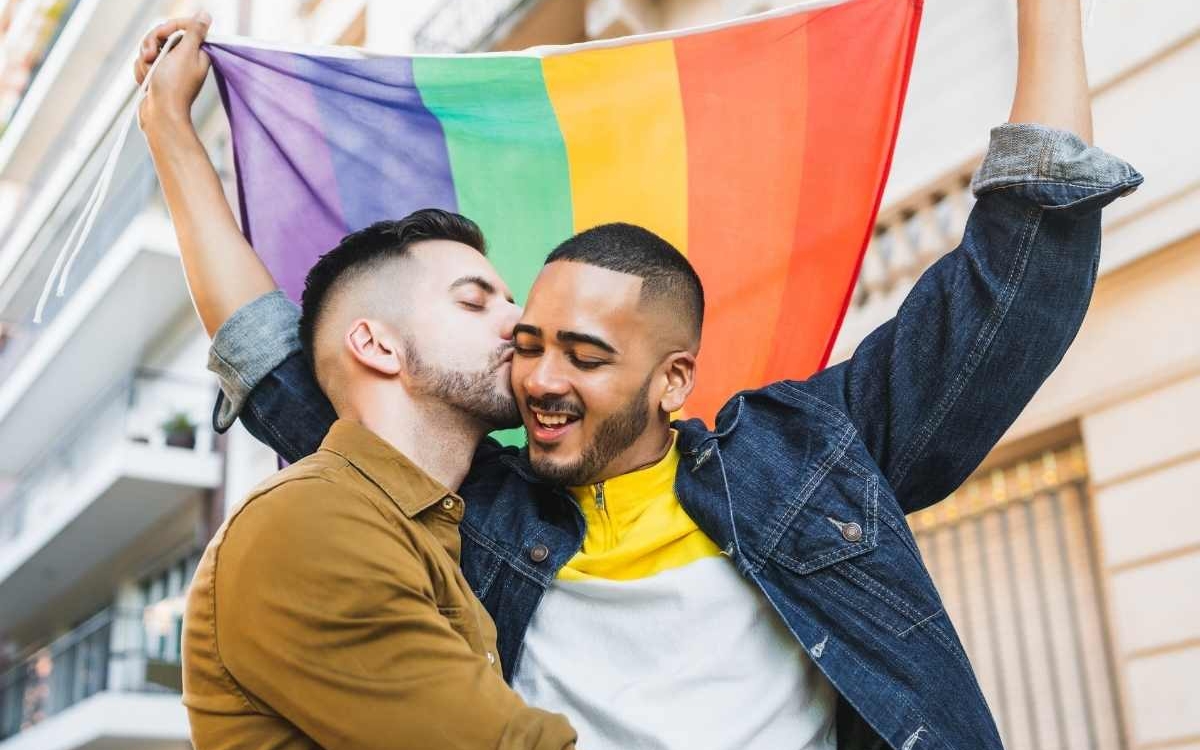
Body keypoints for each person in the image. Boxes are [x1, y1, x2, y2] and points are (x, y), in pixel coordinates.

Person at [137, 0, 1141, 746]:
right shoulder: (466, 509)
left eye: (584, 354)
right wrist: (173, 135)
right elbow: (275, 359)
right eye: (527, 342)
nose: (538, 377)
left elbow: (1016, 278)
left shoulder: (808, 453)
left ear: (673, 380)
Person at [138, 20, 576, 748]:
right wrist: (168, 124)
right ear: (375, 344)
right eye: (476, 301)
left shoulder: (429, 521)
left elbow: (264, 351)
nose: (522, 325)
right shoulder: (312, 522)